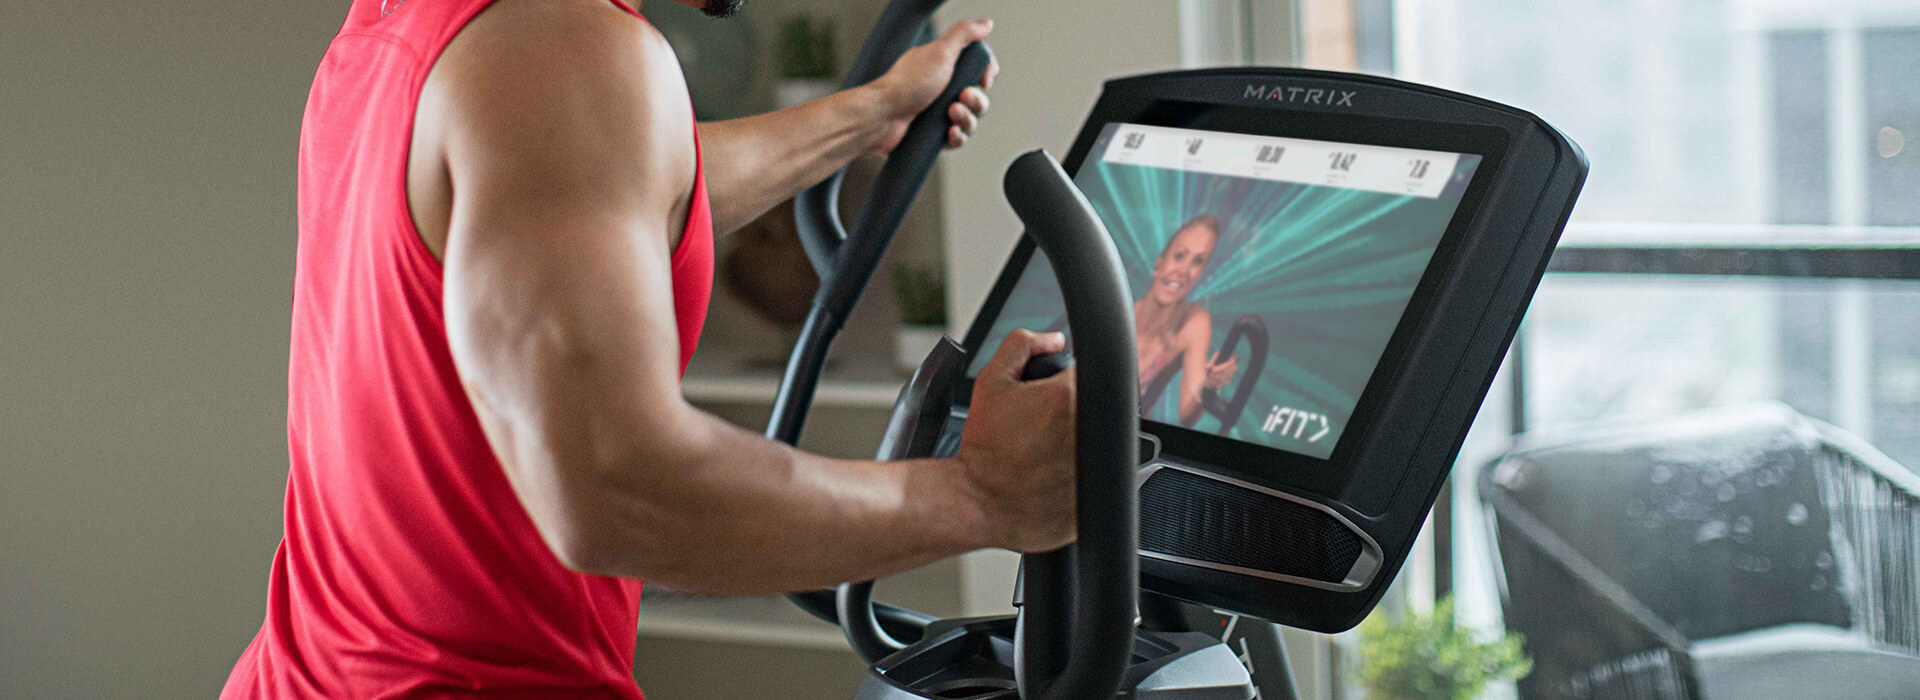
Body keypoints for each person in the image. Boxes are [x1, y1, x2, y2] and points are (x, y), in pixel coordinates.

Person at [222, 0, 1078, 697]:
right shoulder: (562, 47)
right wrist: (983, 496)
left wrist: (867, 116)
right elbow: (620, 490)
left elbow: (602, 180)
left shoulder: (409, 27)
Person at [1135, 214, 1241, 426]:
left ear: (1201, 274)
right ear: (1159, 263)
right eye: (1179, 256)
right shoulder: (1121, 308)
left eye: (1198, 261)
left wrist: (1210, 387)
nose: (1183, 271)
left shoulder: (1195, 322)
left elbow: (1187, 415)